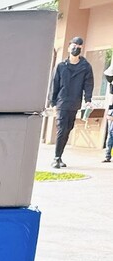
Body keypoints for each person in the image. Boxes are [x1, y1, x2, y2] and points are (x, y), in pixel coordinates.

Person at [48, 36, 95, 169]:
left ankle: (60, 156)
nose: (75, 48)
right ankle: (56, 158)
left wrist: (88, 100)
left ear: (81, 49)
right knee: (62, 129)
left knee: (68, 129)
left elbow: (88, 84)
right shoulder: (61, 66)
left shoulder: (86, 67)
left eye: (78, 47)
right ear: (69, 48)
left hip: (75, 103)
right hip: (62, 102)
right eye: (73, 46)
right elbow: (54, 84)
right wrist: (53, 103)